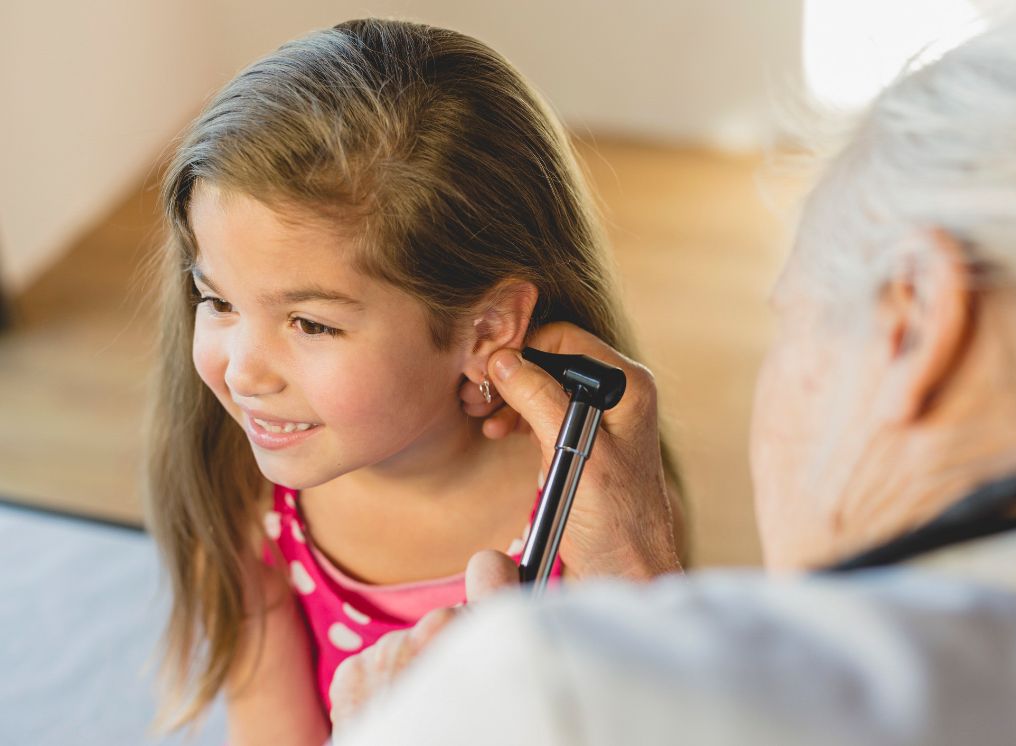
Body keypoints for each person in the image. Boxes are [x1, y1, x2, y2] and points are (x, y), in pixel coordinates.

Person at [333, 4, 1016, 743]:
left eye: (790, 318)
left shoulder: (534, 698)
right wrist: (639, 577)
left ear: (917, 321)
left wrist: (395, 727)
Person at [141, 19, 685, 743]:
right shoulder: (247, 504)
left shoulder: (603, 510)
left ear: (486, 329)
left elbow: (666, 711)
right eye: (217, 301)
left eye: (310, 324)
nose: (241, 370)